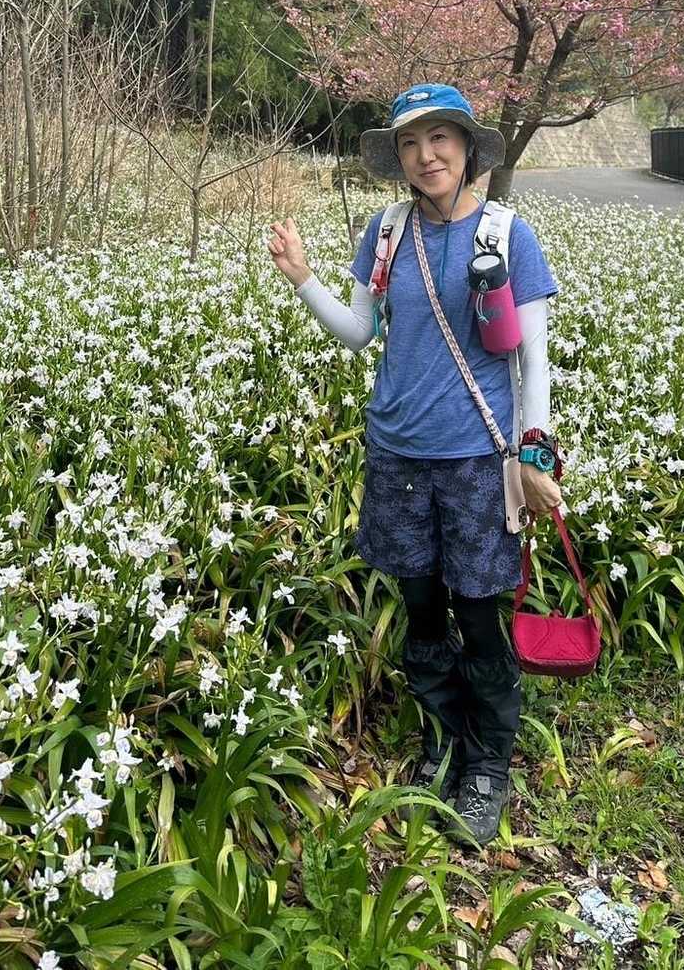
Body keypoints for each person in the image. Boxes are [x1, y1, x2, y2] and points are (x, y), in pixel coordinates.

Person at [267, 83, 563, 846]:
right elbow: (358, 331)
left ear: (466, 148)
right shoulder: (386, 231)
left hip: (476, 456)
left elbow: (533, 359)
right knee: (422, 606)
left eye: (439, 138)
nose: (425, 154)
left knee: (478, 611)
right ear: (397, 156)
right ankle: (440, 742)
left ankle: (487, 764)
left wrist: (534, 454)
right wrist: (303, 277)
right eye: (409, 142)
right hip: (397, 450)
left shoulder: (507, 233)